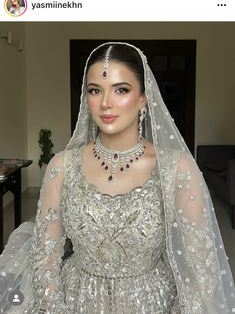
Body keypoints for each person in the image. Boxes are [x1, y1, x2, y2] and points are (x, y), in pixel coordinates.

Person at [0, 42, 235, 313]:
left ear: (144, 98)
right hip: (76, 303)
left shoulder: (177, 168)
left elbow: (200, 272)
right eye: (95, 90)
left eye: (121, 89)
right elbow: (45, 260)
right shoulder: (61, 167)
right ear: (85, 98)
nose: (105, 103)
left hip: (152, 304)